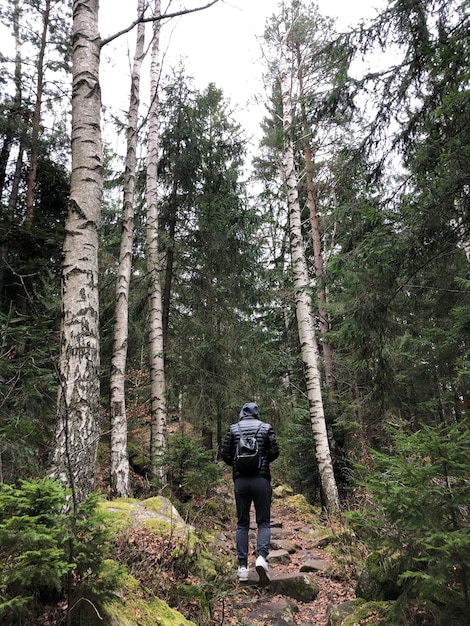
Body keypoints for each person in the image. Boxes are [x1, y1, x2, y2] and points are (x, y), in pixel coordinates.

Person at [221, 401, 280, 584]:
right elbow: (275, 452)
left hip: (241, 482)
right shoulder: (265, 427)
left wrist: (238, 465)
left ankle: (242, 568)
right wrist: (261, 461)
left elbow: (225, 454)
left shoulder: (233, 429)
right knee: (263, 522)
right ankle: (261, 558)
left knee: (242, 524)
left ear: (242, 413)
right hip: (261, 480)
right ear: (256, 413)